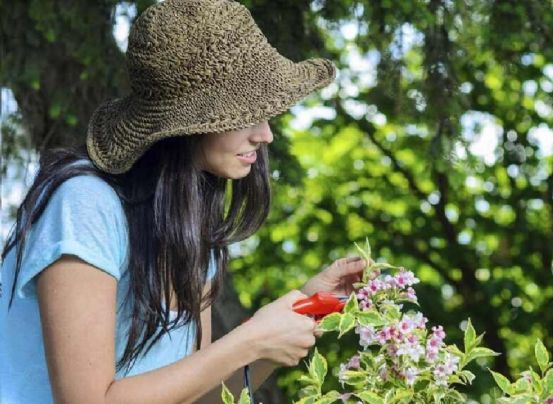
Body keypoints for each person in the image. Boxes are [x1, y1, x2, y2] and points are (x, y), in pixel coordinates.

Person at [0, 0, 367, 402]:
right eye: (248, 114)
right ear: (188, 125)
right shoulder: (86, 204)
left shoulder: (187, 225)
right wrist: (250, 338)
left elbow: (195, 396)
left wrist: (304, 308)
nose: (266, 135)